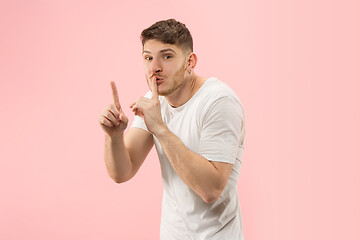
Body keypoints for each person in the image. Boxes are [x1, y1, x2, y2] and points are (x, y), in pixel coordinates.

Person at [98, 19, 246, 240]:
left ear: (190, 62)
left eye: (167, 56)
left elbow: (211, 190)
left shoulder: (219, 101)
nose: (154, 67)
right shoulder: (154, 100)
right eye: (148, 57)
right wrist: (114, 136)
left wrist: (160, 128)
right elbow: (122, 172)